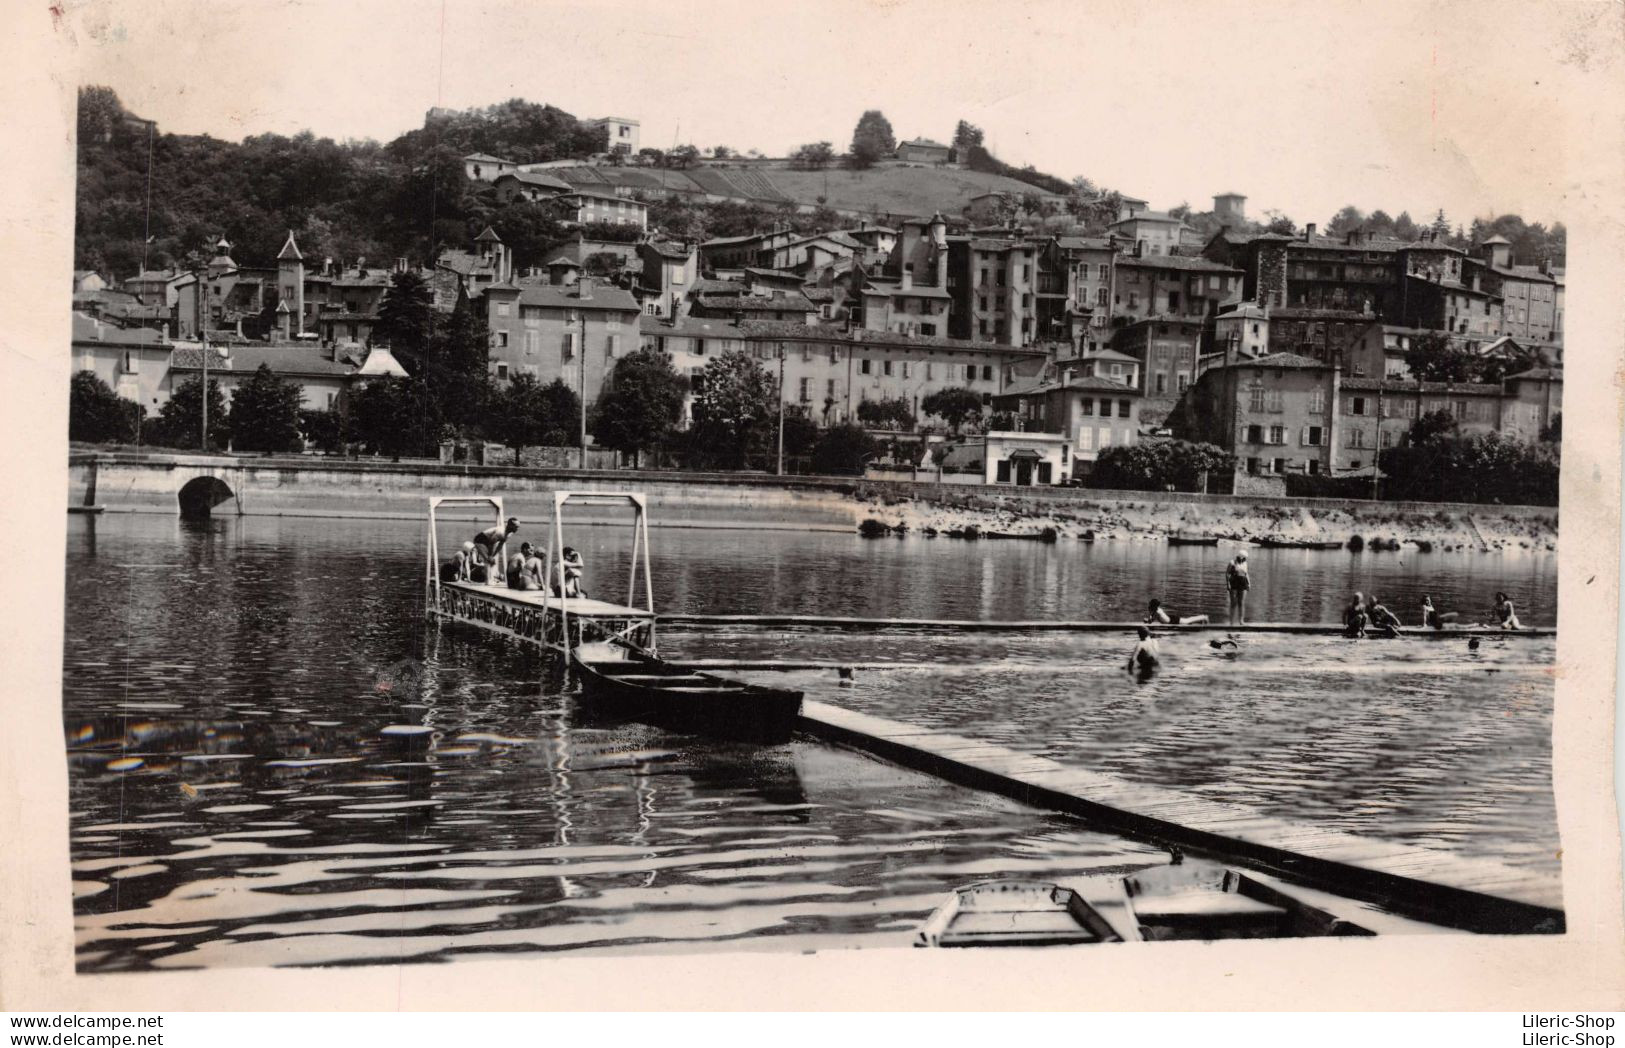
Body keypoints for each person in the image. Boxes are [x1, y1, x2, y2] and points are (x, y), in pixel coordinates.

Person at [473, 517, 520, 584]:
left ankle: (491, 578)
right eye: (516, 527)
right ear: (510, 526)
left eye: (518, 527)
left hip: (488, 542)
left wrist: (494, 555)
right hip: (480, 540)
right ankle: (488, 581)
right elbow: (491, 544)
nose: (517, 529)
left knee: (492, 561)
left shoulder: (509, 534)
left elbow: (500, 545)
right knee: (488, 560)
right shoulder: (500, 532)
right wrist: (490, 556)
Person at [1225, 554, 1250, 626]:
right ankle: (1231, 622)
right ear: (1239, 556)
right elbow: (1227, 573)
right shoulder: (1232, 562)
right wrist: (1228, 584)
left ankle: (1241, 621)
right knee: (1233, 603)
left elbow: (1246, 574)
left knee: (1241, 603)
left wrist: (1249, 583)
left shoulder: (1245, 563)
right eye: (1243, 557)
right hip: (1234, 582)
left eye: (1245, 558)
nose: (1244, 559)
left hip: (1243, 583)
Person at [1145, 599, 1209, 626]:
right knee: (1188, 621)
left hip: (1172, 621)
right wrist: (1149, 617)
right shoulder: (1156, 610)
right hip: (1170, 619)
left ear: (1153, 606)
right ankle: (1202, 619)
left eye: (1150, 605)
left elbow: (1150, 621)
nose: (1149, 606)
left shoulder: (1157, 611)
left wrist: (1146, 620)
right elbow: (1151, 618)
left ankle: (1204, 617)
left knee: (1188, 621)